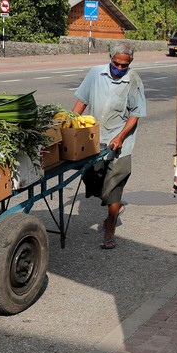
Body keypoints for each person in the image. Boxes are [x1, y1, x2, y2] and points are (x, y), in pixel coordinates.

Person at [72, 41, 146, 249]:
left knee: (114, 187)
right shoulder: (95, 74)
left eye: (125, 65)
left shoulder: (133, 80)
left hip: (120, 141)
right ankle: (113, 204)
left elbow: (135, 114)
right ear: (109, 58)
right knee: (92, 179)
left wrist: (121, 137)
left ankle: (109, 227)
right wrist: (67, 125)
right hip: (95, 140)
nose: (120, 68)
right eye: (117, 64)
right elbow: (81, 102)